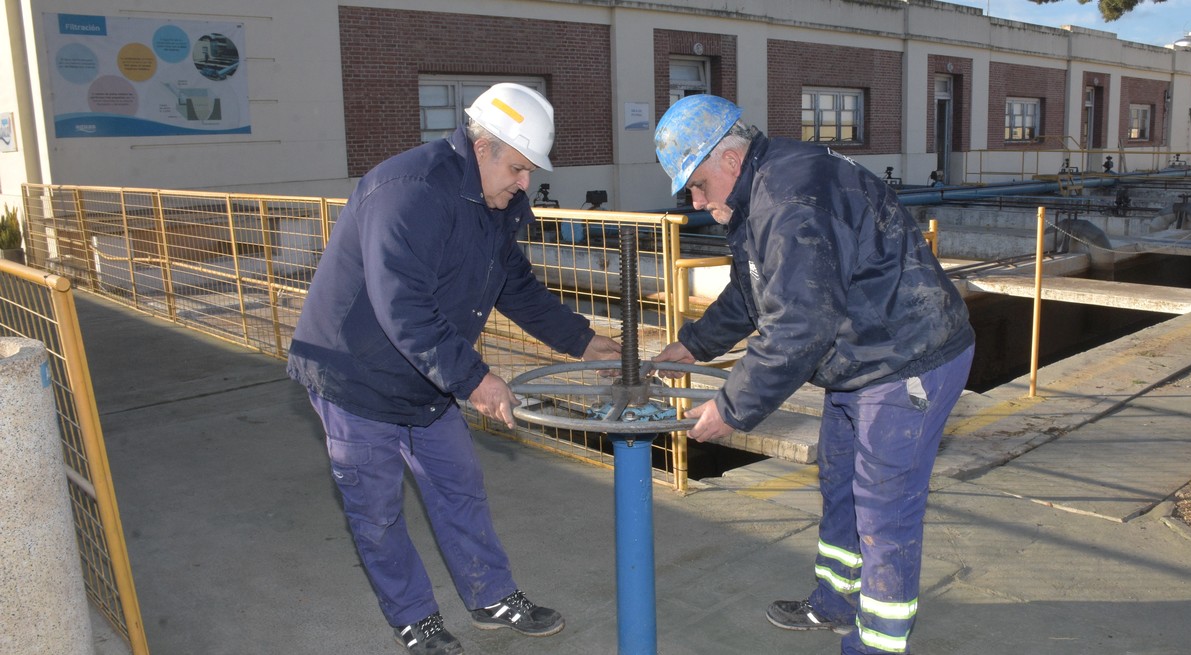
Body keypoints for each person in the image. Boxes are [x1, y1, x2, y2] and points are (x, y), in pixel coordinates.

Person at [287, 83, 620, 655]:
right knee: (378, 512)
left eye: (529, 172)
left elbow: (514, 284)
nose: (524, 184)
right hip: (356, 376)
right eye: (517, 168)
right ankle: (415, 618)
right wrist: (473, 378)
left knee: (459, 487)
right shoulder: (409, 191)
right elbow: (403, 305)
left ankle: (490, 595)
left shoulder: (499, 202)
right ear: (481, 146)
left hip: (427, 374)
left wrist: (585, 341)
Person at [650, 95, 974, 655]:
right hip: (861, 359)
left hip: (904, 362)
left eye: (699, 185)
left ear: (730, 159)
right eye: (689, 193)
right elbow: (756, 290)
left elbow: (800, 321)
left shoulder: (789, 198)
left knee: (883, 513)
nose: (698, 203)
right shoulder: (759, 191)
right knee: (840, 483)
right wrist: (695, 345)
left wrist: (731, 408)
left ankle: (876, 644)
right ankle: (833, 604)